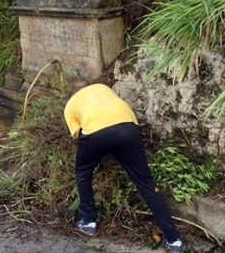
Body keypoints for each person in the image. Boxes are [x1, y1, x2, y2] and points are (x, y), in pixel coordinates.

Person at [63, 82, 187, 253]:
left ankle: (88, 221)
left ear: (73, 94)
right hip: (128, 127)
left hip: (96, 133)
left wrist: (100, 153)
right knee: (146, 183)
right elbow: (113, 120)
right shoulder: (103, 87)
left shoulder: (70, 105)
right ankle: (174, 241)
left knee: (83, 173)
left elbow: (79, 136)